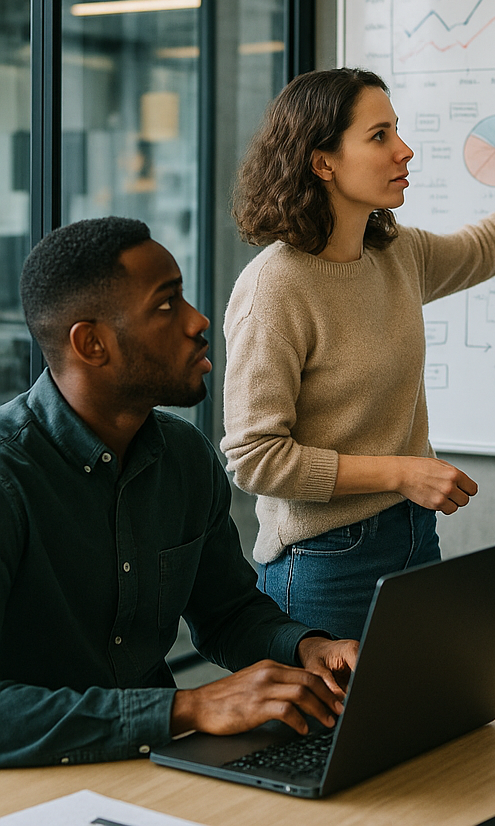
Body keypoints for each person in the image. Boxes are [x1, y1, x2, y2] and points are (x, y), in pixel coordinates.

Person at [222, 67, 495, 641]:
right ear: (323, 162)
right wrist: (400, 472)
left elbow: (485, 246)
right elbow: (254, 459)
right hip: (324, 561)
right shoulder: (275, 288)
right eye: (379, 136)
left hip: (413, 534)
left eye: (397, 131)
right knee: (326, 734)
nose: (405, 150)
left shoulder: (394, 254)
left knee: (418, 728)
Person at [0, 217, 359, 767]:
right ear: (91, 343)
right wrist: (185, 709)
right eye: (167, 305)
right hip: (38, 785)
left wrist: (308, 648)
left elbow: (228, 612)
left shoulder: (185, 455)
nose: (198, 321)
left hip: (156, 766)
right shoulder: (9, 477)